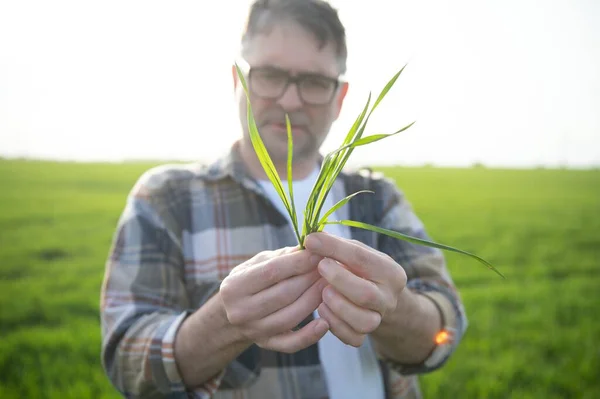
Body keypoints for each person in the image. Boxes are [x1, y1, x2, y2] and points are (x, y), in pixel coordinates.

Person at [100, 0, 468, 398]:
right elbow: (126, 361)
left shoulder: (377, 198)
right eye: (271, 75)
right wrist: (224, 323)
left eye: (313, 82)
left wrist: (395, 311)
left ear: (340, 98)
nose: (291, 101)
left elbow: (444, 329)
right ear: (238, 80)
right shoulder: (167, 199)